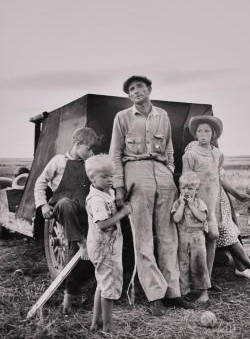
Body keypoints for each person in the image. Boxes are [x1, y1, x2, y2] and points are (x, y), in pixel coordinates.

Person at [109, 75, 191, 316]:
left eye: (140, 87)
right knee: (143, 236)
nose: (136, 91)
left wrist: (170, 170)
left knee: (168, 235)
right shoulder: (122, 118)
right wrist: (120, 186)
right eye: (131, 89)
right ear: (128, 95)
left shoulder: (162, 115)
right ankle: (154, 294)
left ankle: (173, 293)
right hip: (136, 172)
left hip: (162, 173)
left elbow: (169, 148)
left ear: (149, 89)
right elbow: (115, 153)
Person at [183, 115, 250, 281]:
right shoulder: (191, 151)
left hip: (219, 198)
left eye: (207, 131)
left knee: (226, 233)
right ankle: (246, 267)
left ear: (213, 134)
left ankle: (244, 267)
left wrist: (237, 194)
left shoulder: (217, 153)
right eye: (200, 130)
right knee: (214, 234)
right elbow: (189, 178)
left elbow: (219, 177)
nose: (203, 134)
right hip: (202, 198)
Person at [34, 127, 98, 313]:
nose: (91, 153)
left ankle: (68, 299)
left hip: (83, 214)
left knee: (77, 256)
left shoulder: (89, 163)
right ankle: (80, 241)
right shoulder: (58, 161)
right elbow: (40, 182)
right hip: (64, 210)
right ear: (77, 145)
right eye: (88, 149)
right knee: (65, 204)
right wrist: (43, 205)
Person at [85, 154, 132, 333]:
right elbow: (103, 224)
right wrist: (123, 213)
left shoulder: (106, 192)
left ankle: (95, 323)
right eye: (105, 176)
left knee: (102, 284)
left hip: (106, 246)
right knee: (109, 287)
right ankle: (108, 327)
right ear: (92, 177)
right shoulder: (97, 200)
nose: (110, 180)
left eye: (111, 176)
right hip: (105, 249)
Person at [172, 171, 211, 303]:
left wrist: (192, 205)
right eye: (183, 188)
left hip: (197, 238)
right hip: (182, 237)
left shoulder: (199, 203)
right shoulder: (177, 204)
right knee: (183, 265)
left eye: (190, 188)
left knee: (199, 264)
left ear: (197, 190)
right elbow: (176, 219)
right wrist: (183, 204)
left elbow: (202, 217)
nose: (186, 191)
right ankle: (185, 292)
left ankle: (203, 292)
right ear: (179, 188)